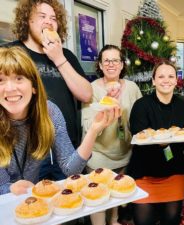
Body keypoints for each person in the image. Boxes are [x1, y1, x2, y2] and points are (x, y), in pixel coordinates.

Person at [0, 46, 119, 195]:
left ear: (34, 86)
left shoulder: (49, 111)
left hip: (30, 203)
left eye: (19, 78)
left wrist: (94, 129)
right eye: (1, 80)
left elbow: (70, 169)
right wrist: (9, 189)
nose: (10, 88)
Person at [2, 0, 92, 181]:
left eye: (53, 18)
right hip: (26, 153)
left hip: (65, 147)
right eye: (42, 16)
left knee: (72, 201)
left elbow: (86, 94)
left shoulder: (66, 55)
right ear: (28, 20)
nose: (49, 22)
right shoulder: (11, 53)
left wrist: (58, 58)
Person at [126, 60, 184, 225]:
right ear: (153, 80)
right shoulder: (141, 106)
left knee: (171, 220)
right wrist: (165, 142)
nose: (166, 80)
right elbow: (138, 136)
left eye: (171, 76)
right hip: (144, 173)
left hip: (174, 173)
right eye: (161, 76)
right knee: (143, 222)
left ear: (176, 80)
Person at [81, 44, 142, 225]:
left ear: (122, 64)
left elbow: (139, 119)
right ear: (100, 65)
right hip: (99, 155)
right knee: (97, 199)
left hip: (124, 152)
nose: (111, 64)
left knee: (116, 193)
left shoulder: (132, 87)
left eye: (115, 60)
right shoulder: (91, 89)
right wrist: (108, 104)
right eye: (106, 61)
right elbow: (87, 126)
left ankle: (114, 220)